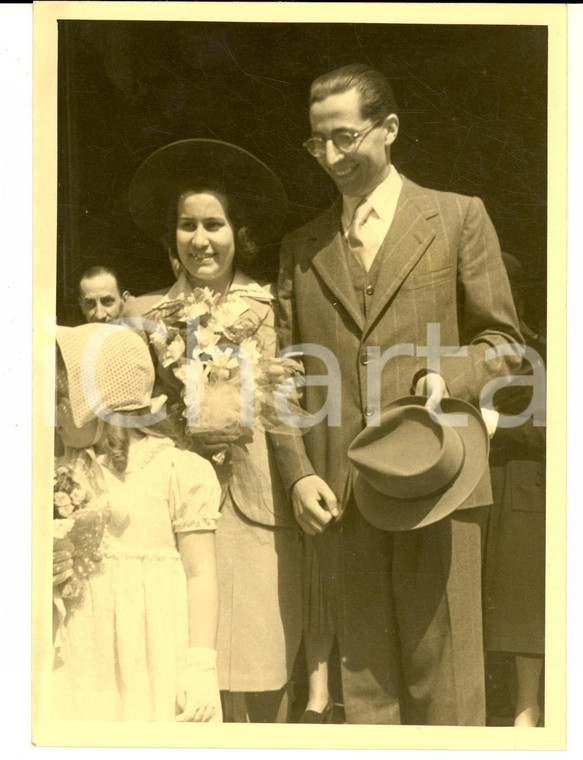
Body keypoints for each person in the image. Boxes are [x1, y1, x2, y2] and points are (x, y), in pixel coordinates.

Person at [275, 63, 524, 725]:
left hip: (438, 484)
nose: (330, 157)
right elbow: (279, 380)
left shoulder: (456, 219)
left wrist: (448, 374)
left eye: (345, 137)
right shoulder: (300, 249)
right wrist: (298, 474)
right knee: (365, 696)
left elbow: (502, 341)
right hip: (342, 497)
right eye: (316, 142)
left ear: (388, 128)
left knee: (447, 693)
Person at [123, 139, 302, 723]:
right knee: (188, 678)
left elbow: (287, 408)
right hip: (174, 511)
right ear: (171, 235)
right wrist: (178, 426)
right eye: (187, 225)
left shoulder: (269, 308)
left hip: (256, 507)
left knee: (264, 667)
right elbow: (127, 418)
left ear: (238, 232)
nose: (201, 239)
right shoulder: (145, 318)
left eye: (214, 224)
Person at [52, 322, 222, 722]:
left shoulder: (178, 470)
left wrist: (201, 665)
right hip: (84, 648)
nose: (53, 414)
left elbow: (201, 574)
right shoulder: (63, 472)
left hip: (155, 648)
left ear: (96, 402)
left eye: (61, 399)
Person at [483, 253, 546, 727]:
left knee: (520, 602)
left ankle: (528, 707)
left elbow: (555, 427)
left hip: (520, 484)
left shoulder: (541, 347)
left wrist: (492, 423)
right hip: (473, 481)